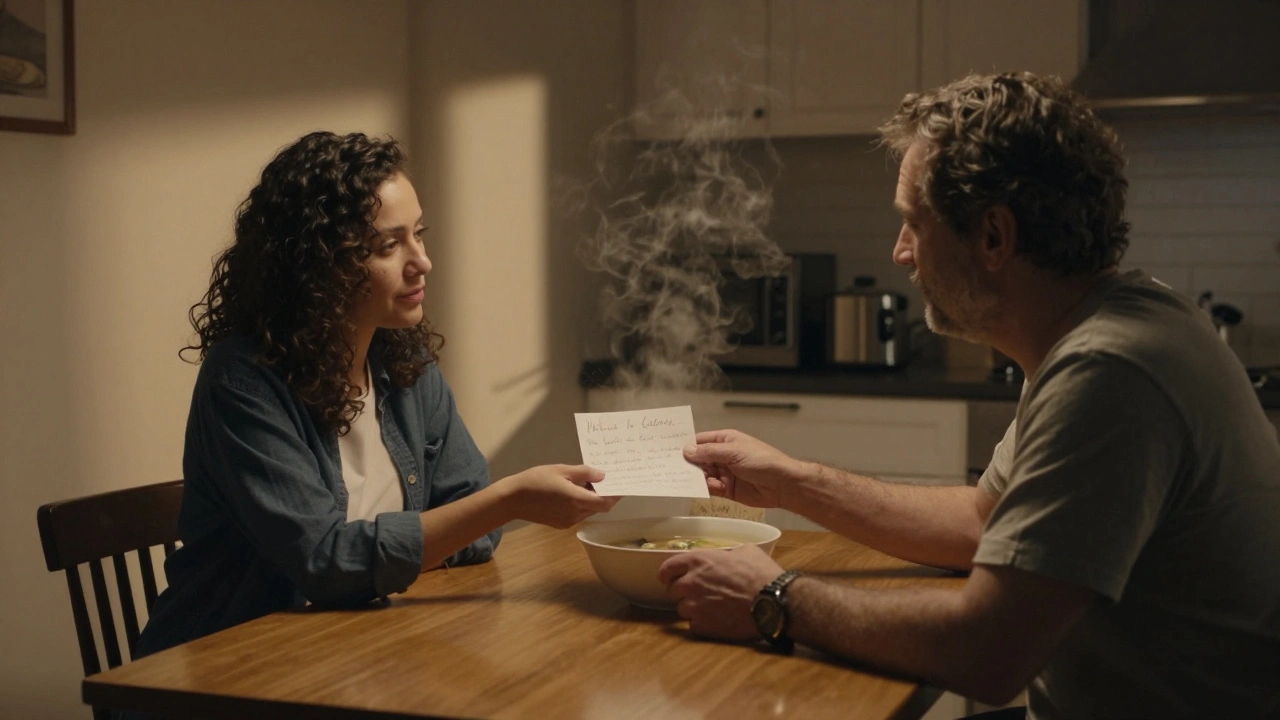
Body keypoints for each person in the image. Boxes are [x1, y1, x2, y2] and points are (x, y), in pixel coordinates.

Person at [658, 73, 1280, 720]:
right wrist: (792, 483)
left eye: (913, 223)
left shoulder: (1109, 368)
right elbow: (984, 522)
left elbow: (989, 649)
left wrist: (776, 596)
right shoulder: (1120, 321)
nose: (901, 252)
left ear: (993, 237)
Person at [134, 131, 617, 662]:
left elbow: (474, 529)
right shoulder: (244, 382)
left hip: (347, 654)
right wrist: (508, 500)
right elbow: (326, 564)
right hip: (228, 670)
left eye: (419, 235)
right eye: (389, 246)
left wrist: (443, 531)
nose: (422, 261)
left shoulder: (404, 363)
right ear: (318, 265)